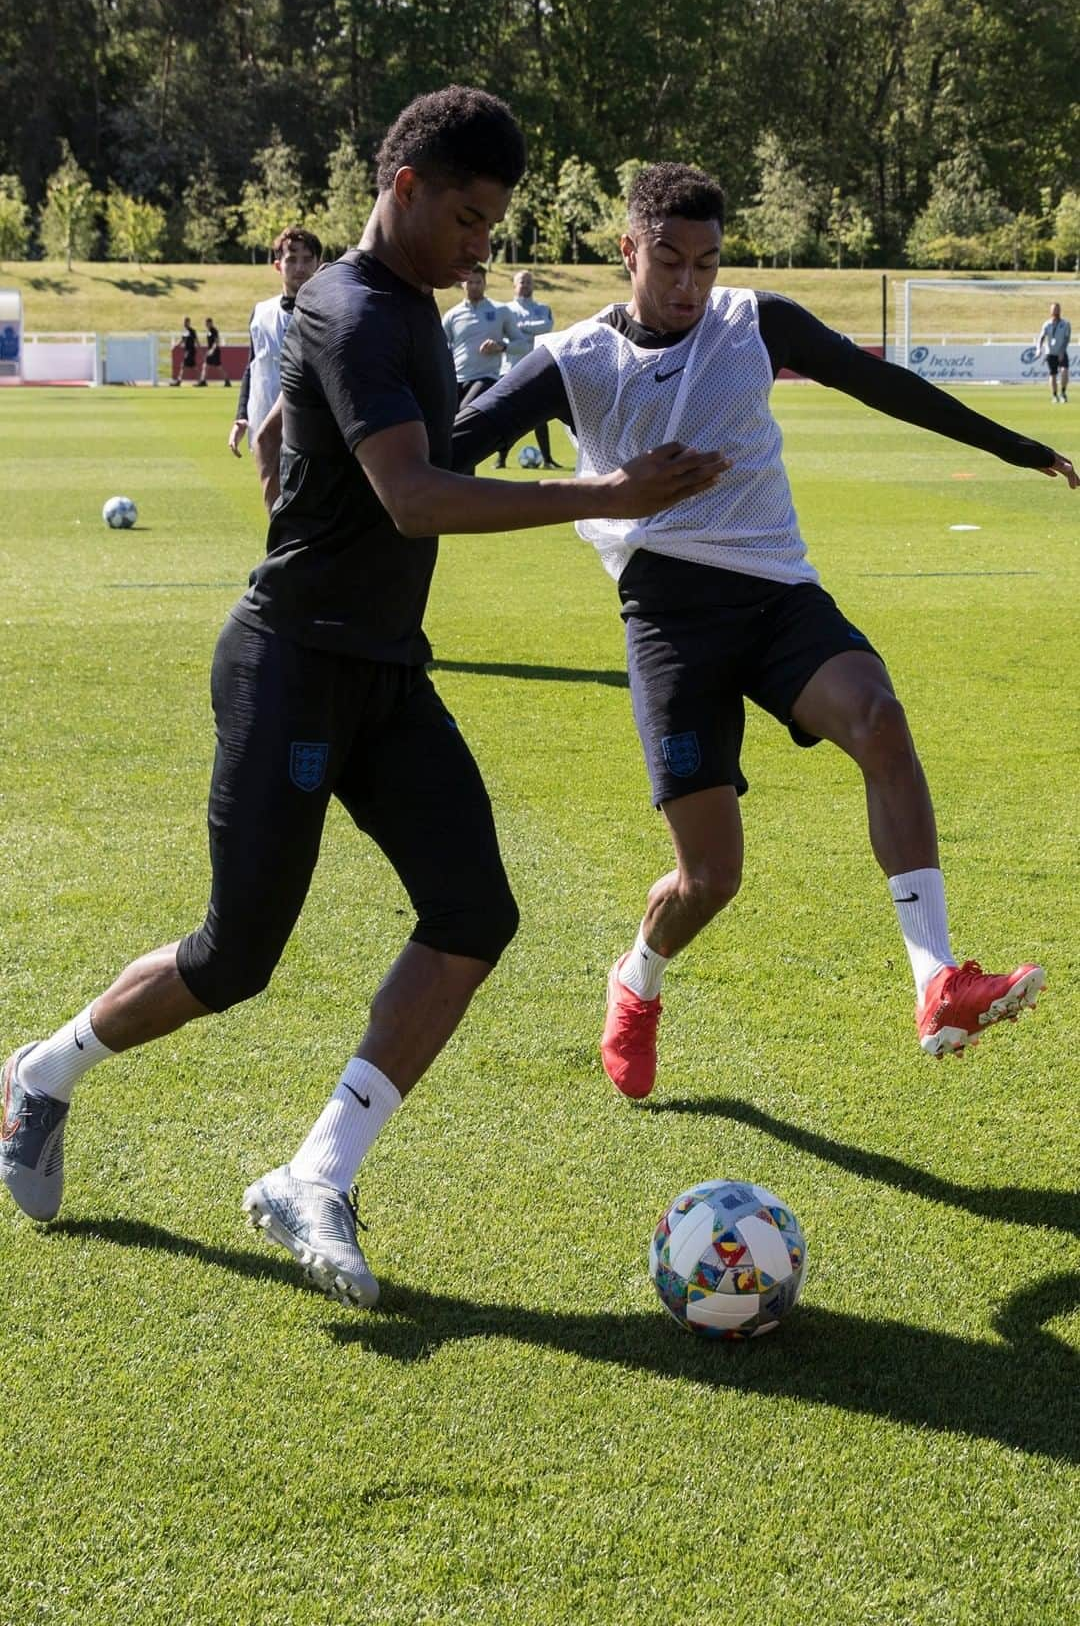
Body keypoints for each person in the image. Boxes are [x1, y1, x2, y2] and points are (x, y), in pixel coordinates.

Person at [0, 95, 724, 1308]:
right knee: (236, 958)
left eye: (492, 222)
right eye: (465, 216)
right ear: (402, 186)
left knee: (473, 913)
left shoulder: (400, 313)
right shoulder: (343, 307)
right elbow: (414, 498)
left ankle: (315, 1175)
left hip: (384, 668)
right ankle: (42, 1074)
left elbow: (353, 439)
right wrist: (611, 494)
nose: (479, 245)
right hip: (290, 665)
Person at [452, 162, 1078, 1095]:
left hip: (777, 592)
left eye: (706, 263)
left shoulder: (755, 321)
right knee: (711, 878)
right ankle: (639, 976)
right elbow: (441, 458)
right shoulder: (576, 359)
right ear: (628, 251)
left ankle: (935, 978)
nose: (689, 285)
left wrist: (1021, 449)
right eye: (668, 262)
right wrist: (603, 492)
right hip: (666, 614)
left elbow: (890, 390)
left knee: (881, 720)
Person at [228, 228, 323, 458]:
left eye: (307, 260)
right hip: (266, 434)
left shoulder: (330, 313)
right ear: (278, 265)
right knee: (272, 495)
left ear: (319, 263)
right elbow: (253, 367)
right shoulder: (261, 313)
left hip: (314, 435)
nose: (300, 268)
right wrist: (242, 416)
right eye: (291, 260)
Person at [441, 264, 524, 467]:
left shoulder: (500, 311)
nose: (474, 286)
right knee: (447, 427)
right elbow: (440, 346)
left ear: (485, 284)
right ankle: (460, 477)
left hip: (486, 377)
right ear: (462, 284)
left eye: (478, 282)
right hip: (457, 379)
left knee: (464, 413)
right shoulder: (452, 315)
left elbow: (522, 344)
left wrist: (501, 347)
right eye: (470, 282)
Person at [504, 269, 560, 467]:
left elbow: (546, 326)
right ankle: (500, 460)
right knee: (507, 416)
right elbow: (508, 335)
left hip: (536, 368)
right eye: (521, 281)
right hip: (510, 369)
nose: (525, 285)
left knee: (540, 415)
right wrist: (528, 331)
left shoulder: (542, 308)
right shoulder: (506, 310)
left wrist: (520, 328)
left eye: (529, 281)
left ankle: (547, 460)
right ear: (514, 285)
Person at [1037, 301, 1071, 403]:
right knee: (1053, 374)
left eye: (1057, 309)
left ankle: (1063, 393)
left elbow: (1066, 338)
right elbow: (1041, 337)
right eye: (1054, 309)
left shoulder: (1065, 324)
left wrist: (1062, 351)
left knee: (1064, 371)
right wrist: (1039, 349)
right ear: (1050, 311)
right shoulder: (1047, 324)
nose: (1056, 311)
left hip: (1061, 352)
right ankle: (1054, 395)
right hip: (1050, 353)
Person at [197, 316, 230, 387]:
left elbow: (216, 342)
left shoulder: (214, 331)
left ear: (210, 323)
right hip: (210, 351)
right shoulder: (208, 331)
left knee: (218, 367)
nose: (206, 325)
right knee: (205, 366)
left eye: (207, 323)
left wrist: (212, 350)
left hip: (215, 351)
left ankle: (227, 380)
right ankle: (203, 381)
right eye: (206, 323)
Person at [169, 316, 199, 386]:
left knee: (184, 366)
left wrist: (176, 346)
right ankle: (200, 380)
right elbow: (186, 340)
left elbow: (185, 340)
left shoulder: (189, 331)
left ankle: (179, 381)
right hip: (190, 351)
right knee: (193, 367)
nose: (184, 323)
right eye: (184, 322)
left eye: (186, 322)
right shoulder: (189, 331)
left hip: (190, 351)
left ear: (189, 322)